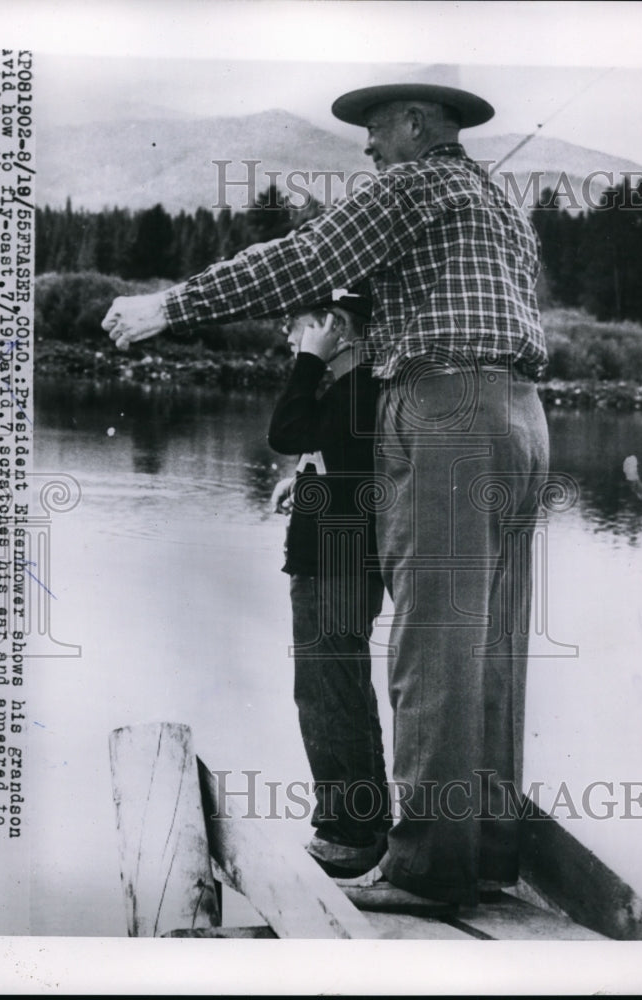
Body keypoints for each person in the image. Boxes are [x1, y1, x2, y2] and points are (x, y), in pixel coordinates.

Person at [102, 81, 550, 908]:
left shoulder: (413, 184)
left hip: (447, 410)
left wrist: (170, 305)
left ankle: (424, 870)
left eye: (376, 129)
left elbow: (304, 261)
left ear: (417, 123)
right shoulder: (494, 203)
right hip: (521, 418)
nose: (367, 148)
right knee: (489, 647)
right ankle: (483, 848)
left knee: (431, 651)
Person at [267, 290, 390, 878]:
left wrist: (310, 360)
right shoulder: (355, 392)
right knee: (341, 688)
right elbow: (329, 451)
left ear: (334, 326)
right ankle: (366, 824)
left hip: (333, 563)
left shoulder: (352, 388)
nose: (288, 339)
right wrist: (305, 477)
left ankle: (348, 832)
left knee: (325, 691)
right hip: (340, 556)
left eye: (298, 328)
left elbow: (285, 428)